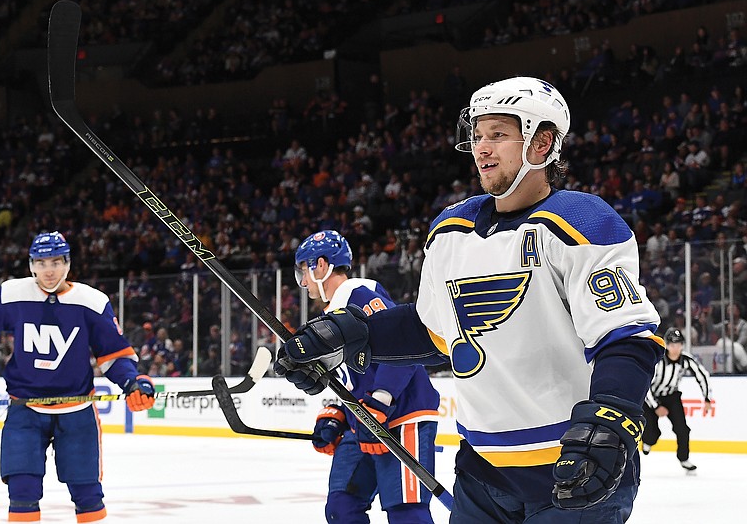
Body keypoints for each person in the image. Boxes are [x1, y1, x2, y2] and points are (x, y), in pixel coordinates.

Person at [275, 77, 664, 523]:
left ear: (542, 143)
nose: (481, 148)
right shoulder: (450, 231)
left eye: (498, 134)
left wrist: (611, 418)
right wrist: (348, 335)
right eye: (477, 135)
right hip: (482, 470)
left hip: (570, 467)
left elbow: (625, 338)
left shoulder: (580, 222)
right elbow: (431, 332)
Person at [0, 232, 155, 523]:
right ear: (31, 265)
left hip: (77, 413)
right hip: (25, 410)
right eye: (41, 262)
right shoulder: (12, 294)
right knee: (22, 491)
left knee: (87, 494)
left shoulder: (92, 302)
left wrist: (132, 382)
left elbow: (114, 357)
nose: (49, 270)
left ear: (68, 263)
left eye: (56, 262)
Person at [294, 230, 440, 523]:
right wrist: (336, 412)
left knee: (406, 513)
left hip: (400, 416)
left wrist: (381, 400)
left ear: (321, 266)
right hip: (363, 420)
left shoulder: (358, 294)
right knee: (342, 507)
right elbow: (350, 377)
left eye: (304, 271)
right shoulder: (329, 316)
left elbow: (403, 345)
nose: (303, 282)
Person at [642, 328, 712, 471]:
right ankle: (647, 442)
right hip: (650, 399)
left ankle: (684, 458)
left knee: (682, 429)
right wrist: (655, 406)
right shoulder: (658, 361)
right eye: (672, 345)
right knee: (652, 434)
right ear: (666, 345)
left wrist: (707, 398)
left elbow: (702, 375)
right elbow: (645, 385)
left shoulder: (686, 360)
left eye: (679, 344)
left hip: (671, 397)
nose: (676, 348)